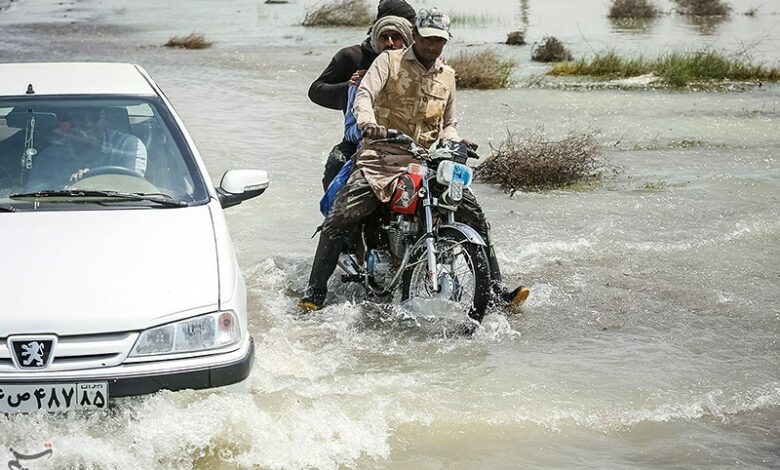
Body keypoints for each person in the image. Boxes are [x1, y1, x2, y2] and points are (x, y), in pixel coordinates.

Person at [300, 7, 529, 311]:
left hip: (427, 158)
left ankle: (497, 290)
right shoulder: (388, 61)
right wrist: (368, 121)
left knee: (474, 215)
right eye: (428, 39)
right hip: (382, 157)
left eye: (439, 41)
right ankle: (315, 293)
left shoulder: (447, 75)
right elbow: (365, 95)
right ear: (417, 36)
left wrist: (455, 139)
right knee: (340, 216)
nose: (433, 46)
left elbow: (449, 122)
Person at [308, 0, 416, 191]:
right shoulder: (352, 57)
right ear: (378, 31)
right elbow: (316, 91)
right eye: (385, 36)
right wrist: (354, 87)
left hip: (407, 140)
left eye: (399, 35)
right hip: (360, 137)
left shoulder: (417, 62)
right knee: (335, 164)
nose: (390, 43)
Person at [26, 107, 147, 191]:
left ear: (106, 120)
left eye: (95, 117)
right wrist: (67, 190)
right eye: (79, 117)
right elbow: (34, 197)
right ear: (70, 120)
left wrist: (92, 184)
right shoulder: (50, 157)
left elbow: (133, 187)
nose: (87, 123)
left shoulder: (127, 146)